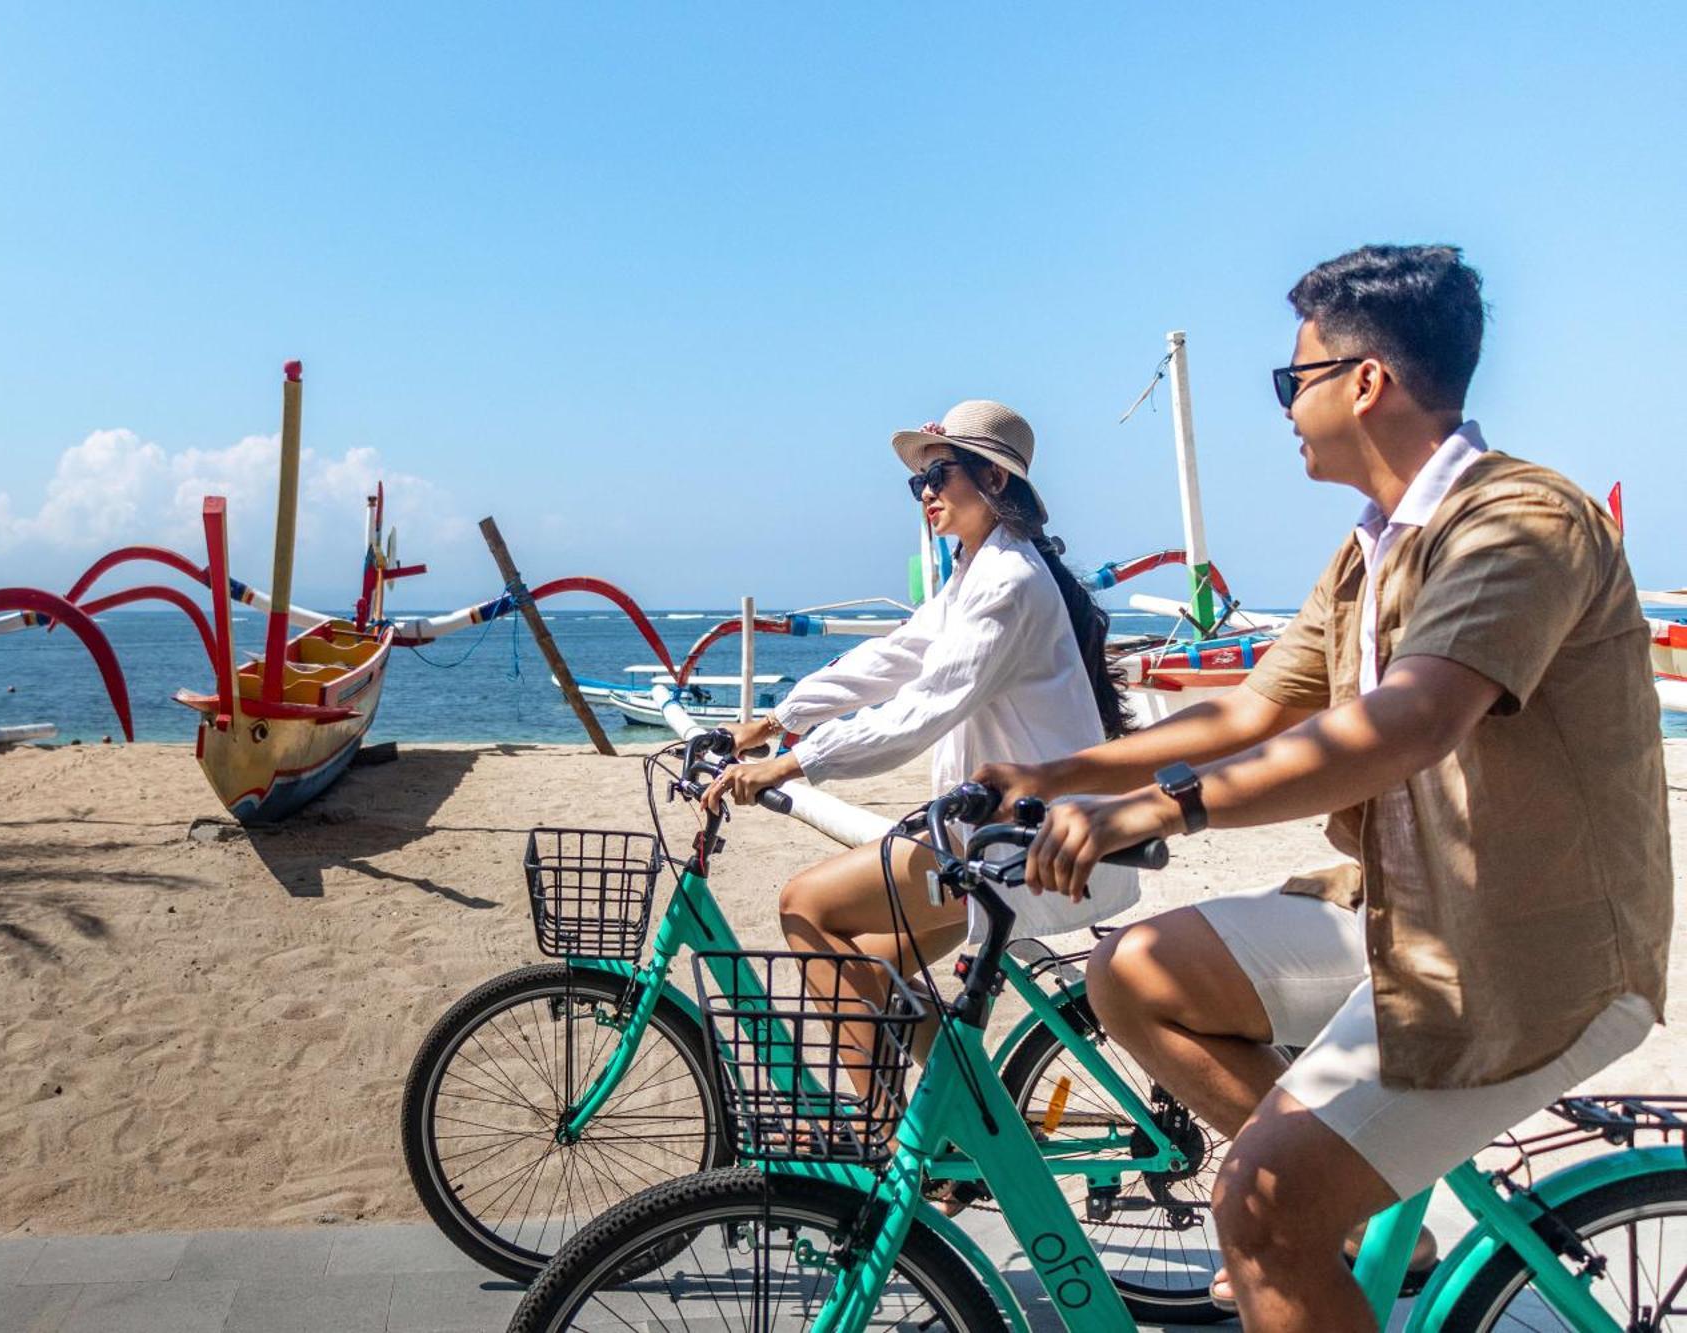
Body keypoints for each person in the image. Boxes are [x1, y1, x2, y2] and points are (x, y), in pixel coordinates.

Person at [974, 244, 1670, 1330]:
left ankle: (1299, 1218)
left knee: (1255, 1206)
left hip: (1529, 958)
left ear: (1364, 380)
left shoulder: (1517, 522)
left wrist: (1160, 805)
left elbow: (1405, 722)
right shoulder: (1366, 553)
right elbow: (1250, 711)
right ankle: (1336, 1213)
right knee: (1133, 970)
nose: (1285, 407)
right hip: (1398, 921)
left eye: (1289, 380)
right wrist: (1043, 772)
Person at [702, 398, 1134, 1095]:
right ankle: (959, 1133)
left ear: (994, 480)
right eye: (918, 482)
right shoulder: (977, 573)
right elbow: (893, 656)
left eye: (940, 475)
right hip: (998, 831)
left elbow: (920, 712)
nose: (925, 493)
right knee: (876, 964)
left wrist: (794, 760)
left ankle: (880, 1141)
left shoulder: (1010, 583)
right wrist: (777, 718)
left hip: (1019, 842)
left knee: (805, 905)